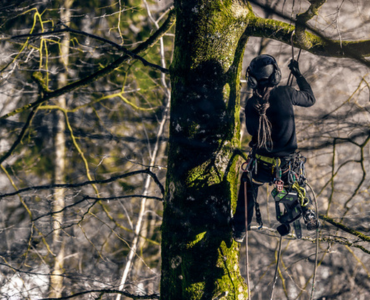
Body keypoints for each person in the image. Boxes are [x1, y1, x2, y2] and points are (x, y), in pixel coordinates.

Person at [232, 54, 320, 242]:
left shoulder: (250, 104)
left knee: (248, 184)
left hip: (262, 168)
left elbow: (252, 131)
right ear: (276, 76)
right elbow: (310, 98)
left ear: (253, 80)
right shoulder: (286, 93)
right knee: (296, 186)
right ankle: (303, 209)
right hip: (288, 167)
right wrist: (297, 74)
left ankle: (240, 229)